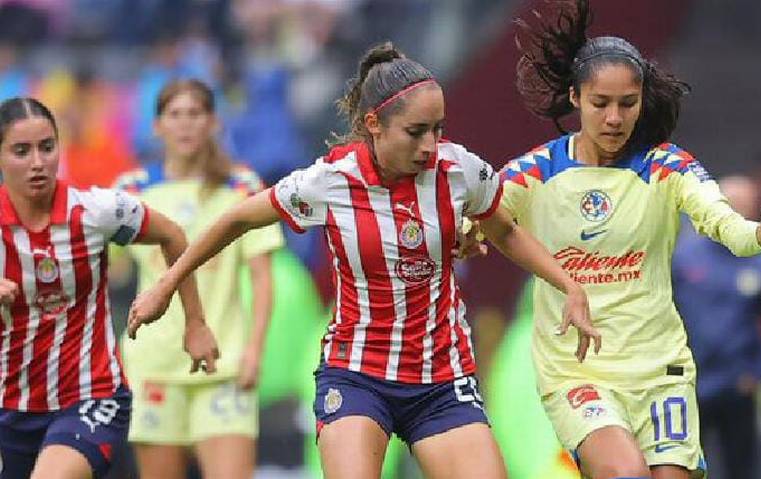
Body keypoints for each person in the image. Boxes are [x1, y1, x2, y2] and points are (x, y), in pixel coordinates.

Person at [127, 42, 600, 479]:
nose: (430, 145)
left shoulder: (460, 171)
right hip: (358, 374)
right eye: (415, 132)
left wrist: (569, 286)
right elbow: (236, 219)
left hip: (441, 376)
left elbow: (506, 231)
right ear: (374, 124)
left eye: (438, 129)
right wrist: (166, 285)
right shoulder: (330, 181)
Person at [499, 1, 761, 478]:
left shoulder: (668, 166)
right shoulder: (535, 171)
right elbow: (483, 216)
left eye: (627, 103)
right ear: (575, 97)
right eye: (600, 102)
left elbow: (722, 223)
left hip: (660, 371)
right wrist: (464, 235)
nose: (614, 117)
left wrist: (758, 233)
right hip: (579, 372)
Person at [0, 97, 219, 479]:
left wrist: (194, 320)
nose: (38, 162)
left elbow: (172, 235)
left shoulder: (96, 211)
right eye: (21, 151)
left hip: (89, 396)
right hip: (9, 406)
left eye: (47, 147)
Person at [113, 79, 285, 479]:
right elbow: (105, 266)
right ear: (157, 126)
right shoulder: (131, 190)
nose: (185, 124)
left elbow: (262, 278)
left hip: (223, 364)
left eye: (195, 113)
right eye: (175, 115)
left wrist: (254, 351)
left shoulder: (241, 186)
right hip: (153, 364)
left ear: (213, 122)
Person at [672, 175, 761, 479]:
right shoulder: (683, 256)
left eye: (744, 204)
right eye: (730, 203)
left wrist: (758, 370)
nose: (736, 211)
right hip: (687, 379)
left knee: (742, 466)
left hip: (738, 381)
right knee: (685, 464)